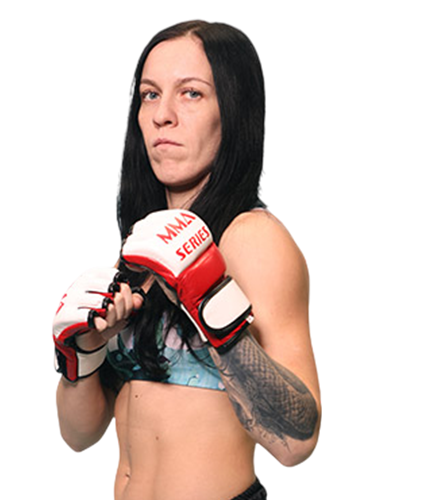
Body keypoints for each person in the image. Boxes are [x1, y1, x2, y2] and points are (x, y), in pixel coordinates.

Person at [53, 20, 321, 500]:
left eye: (191, 93)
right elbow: (79, 436)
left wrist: (212, 306)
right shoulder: (140, 250)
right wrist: (83, 354)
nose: (163, 115)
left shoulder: (253, 238)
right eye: (150, 94)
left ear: (231, 111)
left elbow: (297, 442)